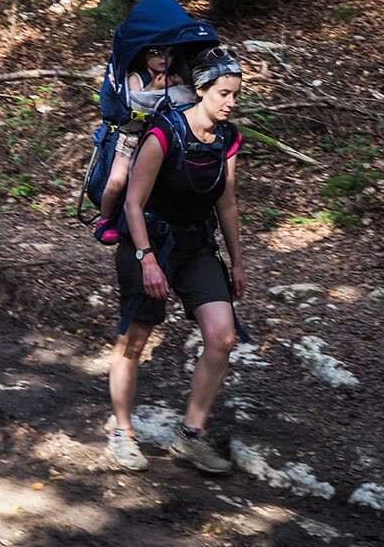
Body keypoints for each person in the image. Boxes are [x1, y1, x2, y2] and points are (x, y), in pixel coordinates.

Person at [106, 47, 246, 473]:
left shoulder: (227, 137)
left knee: (221, 337)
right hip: (150, 242)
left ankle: (190, 437)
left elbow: (227, 203)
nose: (230, 102)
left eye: (235, 94)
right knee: (134, 341)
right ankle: (121, 433)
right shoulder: (162, 134)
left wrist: (237, 262)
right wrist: (147, 259)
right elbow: (133, 202)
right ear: (200, 90)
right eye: (223, 93)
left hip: (196, 246)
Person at [95, 46, 185, 245]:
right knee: (118, 179)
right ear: (144, 55)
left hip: (162, 135)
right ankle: (105, 219)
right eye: (155, 52)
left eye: (168, 52)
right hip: (132, 134)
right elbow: (134, 107)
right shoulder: (136, 78)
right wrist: (153, 88)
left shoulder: (175, 77)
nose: (163, 57)